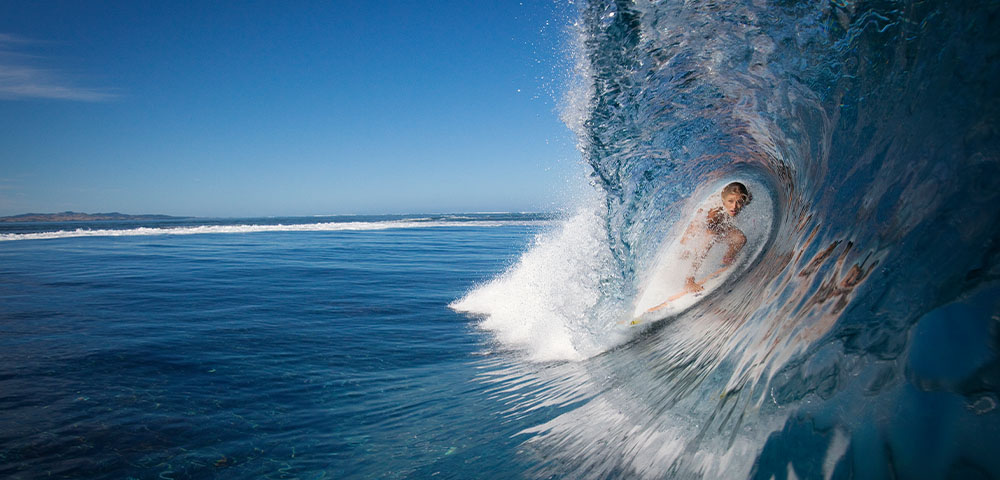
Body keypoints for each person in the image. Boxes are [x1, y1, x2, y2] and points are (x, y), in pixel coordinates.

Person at [677, 181, 751, 294]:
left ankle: (727, 258)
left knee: (740, 239)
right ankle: (688, 281)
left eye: (739, 202)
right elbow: (702, 230)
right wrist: (687, 246)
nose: (734, 206)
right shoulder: (714, 212)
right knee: (708, 240)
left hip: (716, 225)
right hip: (696, 228)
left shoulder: (745, 199)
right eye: (730, 201)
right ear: (723, 201)